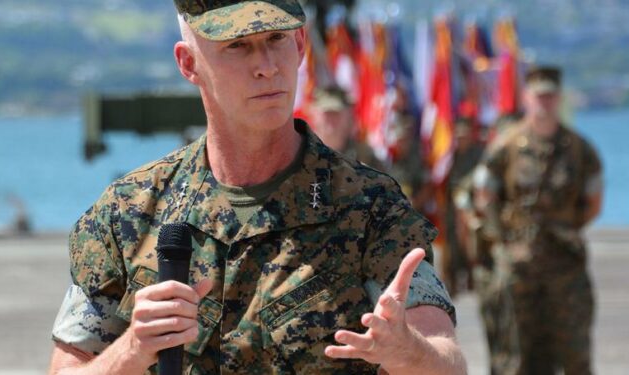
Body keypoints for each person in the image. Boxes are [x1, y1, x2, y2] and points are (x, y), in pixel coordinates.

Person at [48, 1, 465, 374]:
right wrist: (133, 350)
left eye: (276, 38)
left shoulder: (371, 207)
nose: (266, 65)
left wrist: (407, 351)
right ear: (189, 63)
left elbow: (447, 360)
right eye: (237, 46)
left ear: (300, 45)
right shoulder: (129, 212)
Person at [476, 65, 603, 374]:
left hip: (565, 268)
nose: (544, 102)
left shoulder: (580, 150)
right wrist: (503, 240)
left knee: (575, 357)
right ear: (527, 97)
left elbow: (594, 204)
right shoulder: (506, 146)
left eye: (550, 96)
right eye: (538, 95)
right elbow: (484, 196)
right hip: (518, 269)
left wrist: (564, 227)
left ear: (559, 98)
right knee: (516, 359)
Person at [441, 117, 485, 297]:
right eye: (458, 135)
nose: (461, 138)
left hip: (472, 206)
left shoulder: (478, 155)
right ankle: (451, 282)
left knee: (472, 243)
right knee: (451, 244)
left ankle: (473, 278)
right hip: (451, 207)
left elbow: (481, 177)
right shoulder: (448, 155)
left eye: (464, 134)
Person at [309, 85, 384, 170]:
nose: (331, 119)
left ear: (348, 116)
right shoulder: (303, 153)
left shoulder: (364, 157)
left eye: (336, 113)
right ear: (314, 115)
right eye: (327, 113)